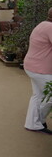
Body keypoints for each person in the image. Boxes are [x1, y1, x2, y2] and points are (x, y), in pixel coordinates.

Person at [24, 7, 52, 135]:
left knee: (37, 96)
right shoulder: (50, 28)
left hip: (32, 66)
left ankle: (32, 123)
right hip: (41, 69)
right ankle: (39, 120)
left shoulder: (42, 24)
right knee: (50, 96)